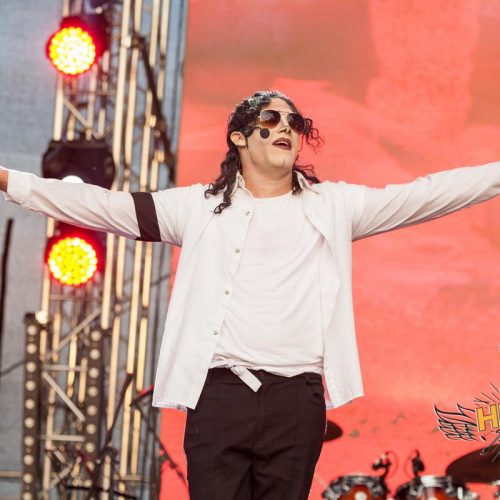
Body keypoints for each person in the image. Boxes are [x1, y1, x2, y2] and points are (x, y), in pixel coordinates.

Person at [1, 89, 499, 499]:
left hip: (296, 399)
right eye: (272, 119)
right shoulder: (195, 208)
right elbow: (100, 205)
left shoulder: (335, 206)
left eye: (295, 123)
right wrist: (9, 181)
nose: (287, 129)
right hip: (220, 396)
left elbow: (424, 194)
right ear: (239, 136)